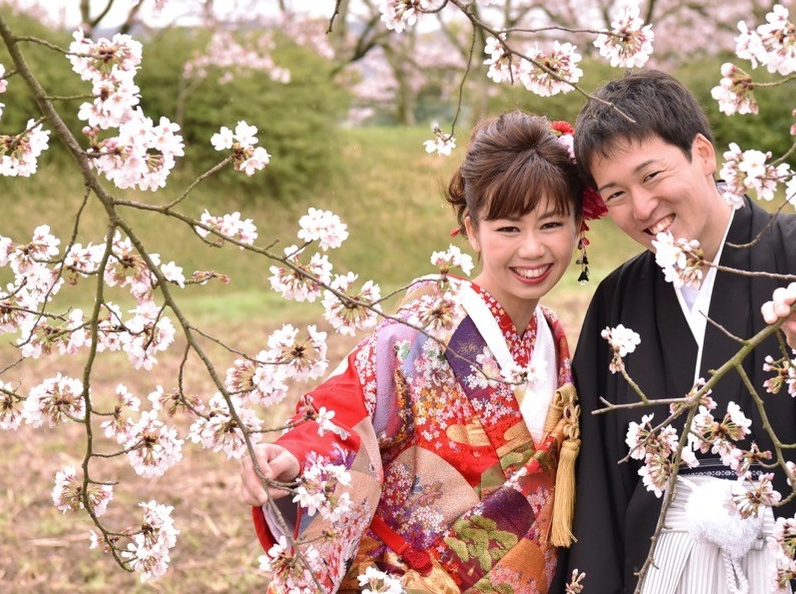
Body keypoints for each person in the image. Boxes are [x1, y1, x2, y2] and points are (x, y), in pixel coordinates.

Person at [559, 70, 796, 593]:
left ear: (703, 153)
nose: (642, 207)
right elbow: (601, 481)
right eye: (617, 194)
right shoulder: (618, 299)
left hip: (794, 560)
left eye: (651, 176)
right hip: (666, 570)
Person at [241, 111, 589, 593]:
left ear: (578, 226)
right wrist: (295, 457)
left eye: (551, 224)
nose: (532, 249)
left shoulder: (555, 338)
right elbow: (346, 408)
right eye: (509, 228)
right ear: (472, 228)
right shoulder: (421, 333)